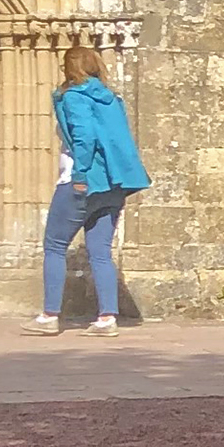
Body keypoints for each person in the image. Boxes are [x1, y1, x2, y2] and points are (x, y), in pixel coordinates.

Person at [37, 45, 149, 334]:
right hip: (115, 183)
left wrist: (80, 174)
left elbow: (84, 136)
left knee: (54, 245)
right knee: (100, 252)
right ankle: (106, 318)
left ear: (69, 68)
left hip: (85, 181)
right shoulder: (111, 98)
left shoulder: (75, 96)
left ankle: (49, 316)